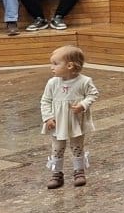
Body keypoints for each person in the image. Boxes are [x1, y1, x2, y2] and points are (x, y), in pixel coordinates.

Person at [40, 44, 99, 190]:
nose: (51, 67)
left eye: (55, 64)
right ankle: (56, 173)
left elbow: (93, 94)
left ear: (70, 66)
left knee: (77, 146)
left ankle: (79, 171)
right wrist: (48, 117)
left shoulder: (84, 81)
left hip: (75, 121)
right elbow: (45, 101)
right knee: (57, 148)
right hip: (58, 122)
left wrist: (83, 105)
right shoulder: (52, 83)